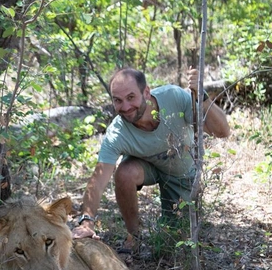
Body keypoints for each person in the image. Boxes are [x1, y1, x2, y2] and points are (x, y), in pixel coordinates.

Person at [71, 67, 231, 252]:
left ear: (146, 92)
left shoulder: (173, 98)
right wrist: (87, 221)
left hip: (181, 173)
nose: (125, 107)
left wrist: (202, 97)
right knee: (124, 173)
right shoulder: (117, 132)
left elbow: (222, 132)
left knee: (175, 244)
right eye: (118, 100)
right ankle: (134, 236)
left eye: (131, 97)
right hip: (149, 168)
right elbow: (98, 180)